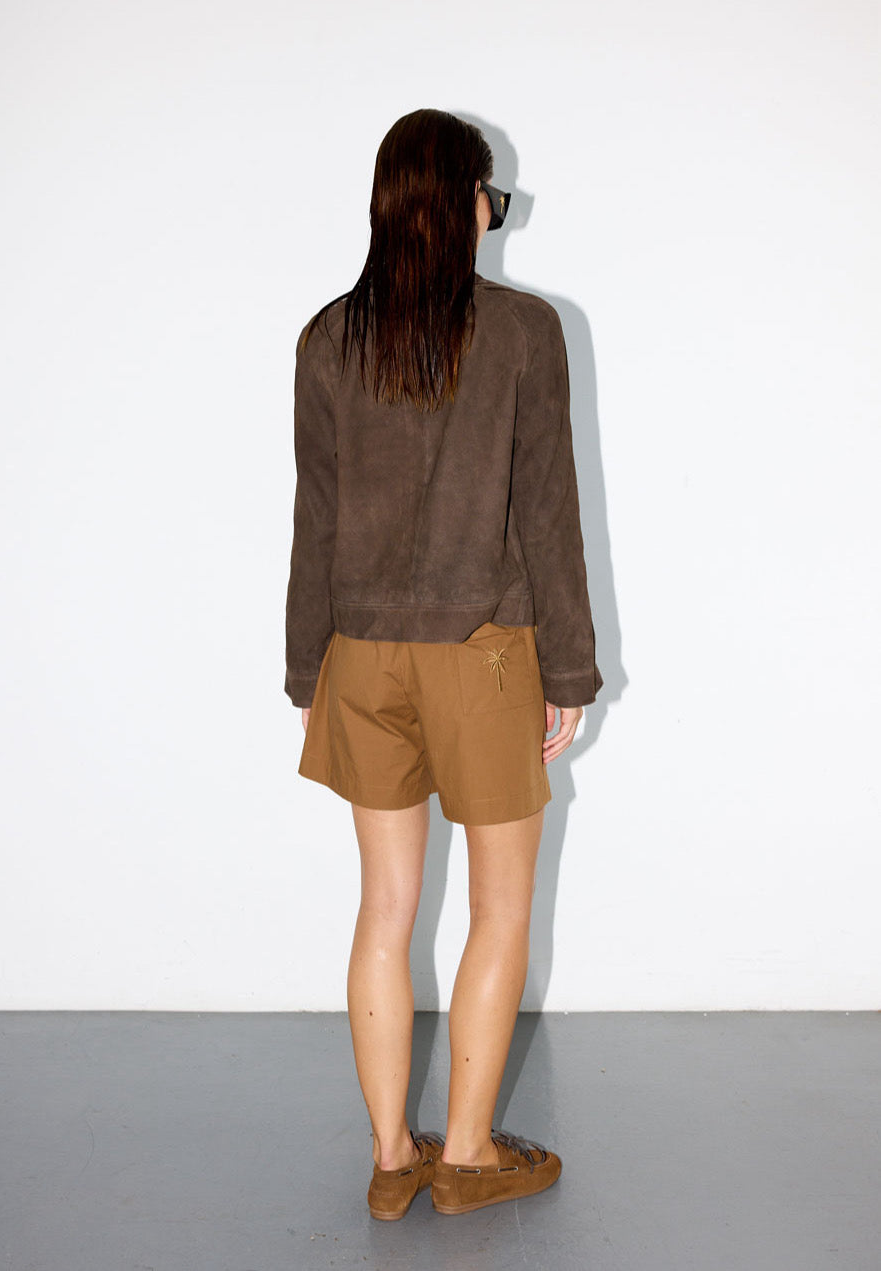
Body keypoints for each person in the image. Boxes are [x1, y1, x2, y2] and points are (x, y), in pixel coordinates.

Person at [283, 108, 603, 1219]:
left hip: (362, 658)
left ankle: (390, 1157)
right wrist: (569, 669)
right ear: (460, 201)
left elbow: (314, 519)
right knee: (498, 908)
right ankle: (466, 1154)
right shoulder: (521, 332)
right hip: (485, 658)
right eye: (488, 195)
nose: (490, 212)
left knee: (384, 906)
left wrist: (306, 667)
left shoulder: (327, 338)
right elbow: (548, 512)